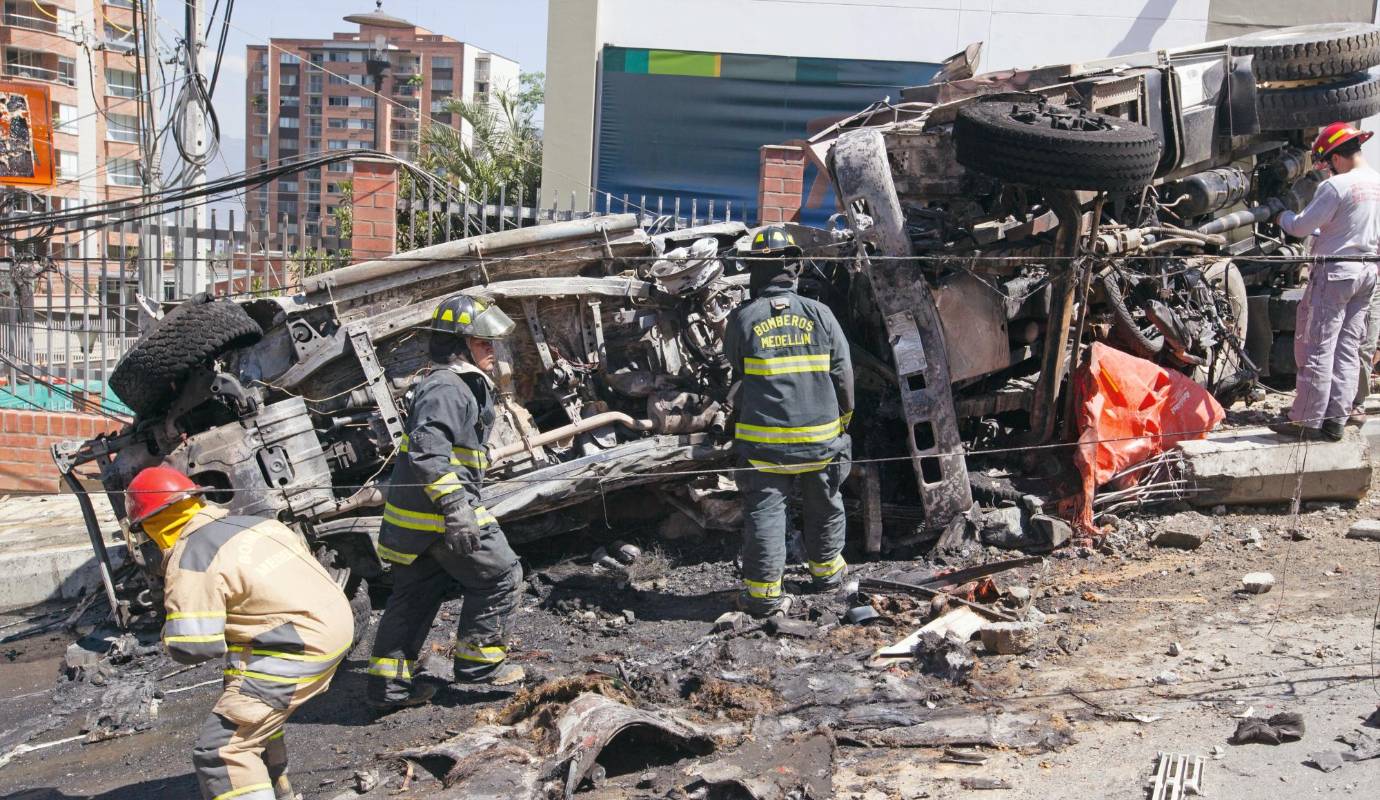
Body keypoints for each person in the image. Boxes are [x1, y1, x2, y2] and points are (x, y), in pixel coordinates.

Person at [125, 465, 352, 800]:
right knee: (247, 705)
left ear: (152, 526)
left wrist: (168, 631)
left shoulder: (192, 556)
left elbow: (196, 646)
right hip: (335, 623)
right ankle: (279, 788)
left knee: (223, 751)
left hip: (297, 645)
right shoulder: (254, 523)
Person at [366, 294, 525, 711]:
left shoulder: (452, 384)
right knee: (501, 574)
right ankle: (480, 667)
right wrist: (457, 509)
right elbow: (427, 451)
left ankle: (388, 688)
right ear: (459, 345)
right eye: (482, 342)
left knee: (415, 596)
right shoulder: (448, 387)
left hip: (416, 520)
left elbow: (448, 448)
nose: (492, 350)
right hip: (439, 514)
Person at [723, 226, 855, 617]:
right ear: (794, 267)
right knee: (825, 505)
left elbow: (734, 369)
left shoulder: (744, 319)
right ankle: (828, 576)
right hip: (821, 440)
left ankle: (763, 596)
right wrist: (843, 420)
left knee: (765, 511)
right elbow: (844, 376)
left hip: (765, 445)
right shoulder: (821, 314)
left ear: (755, 272)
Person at [1270, 122, 1380, 442]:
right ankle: (1336, 419)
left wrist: (1280, 215)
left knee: (1316, 346)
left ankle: (1305, 420)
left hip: (1334, 274)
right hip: (1367, 274)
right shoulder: (1377, 182)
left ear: (1335, 157)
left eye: (1327, 163)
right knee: (1347, 347)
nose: (1327, 170)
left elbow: (1302, 227)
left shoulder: (1336, 187)